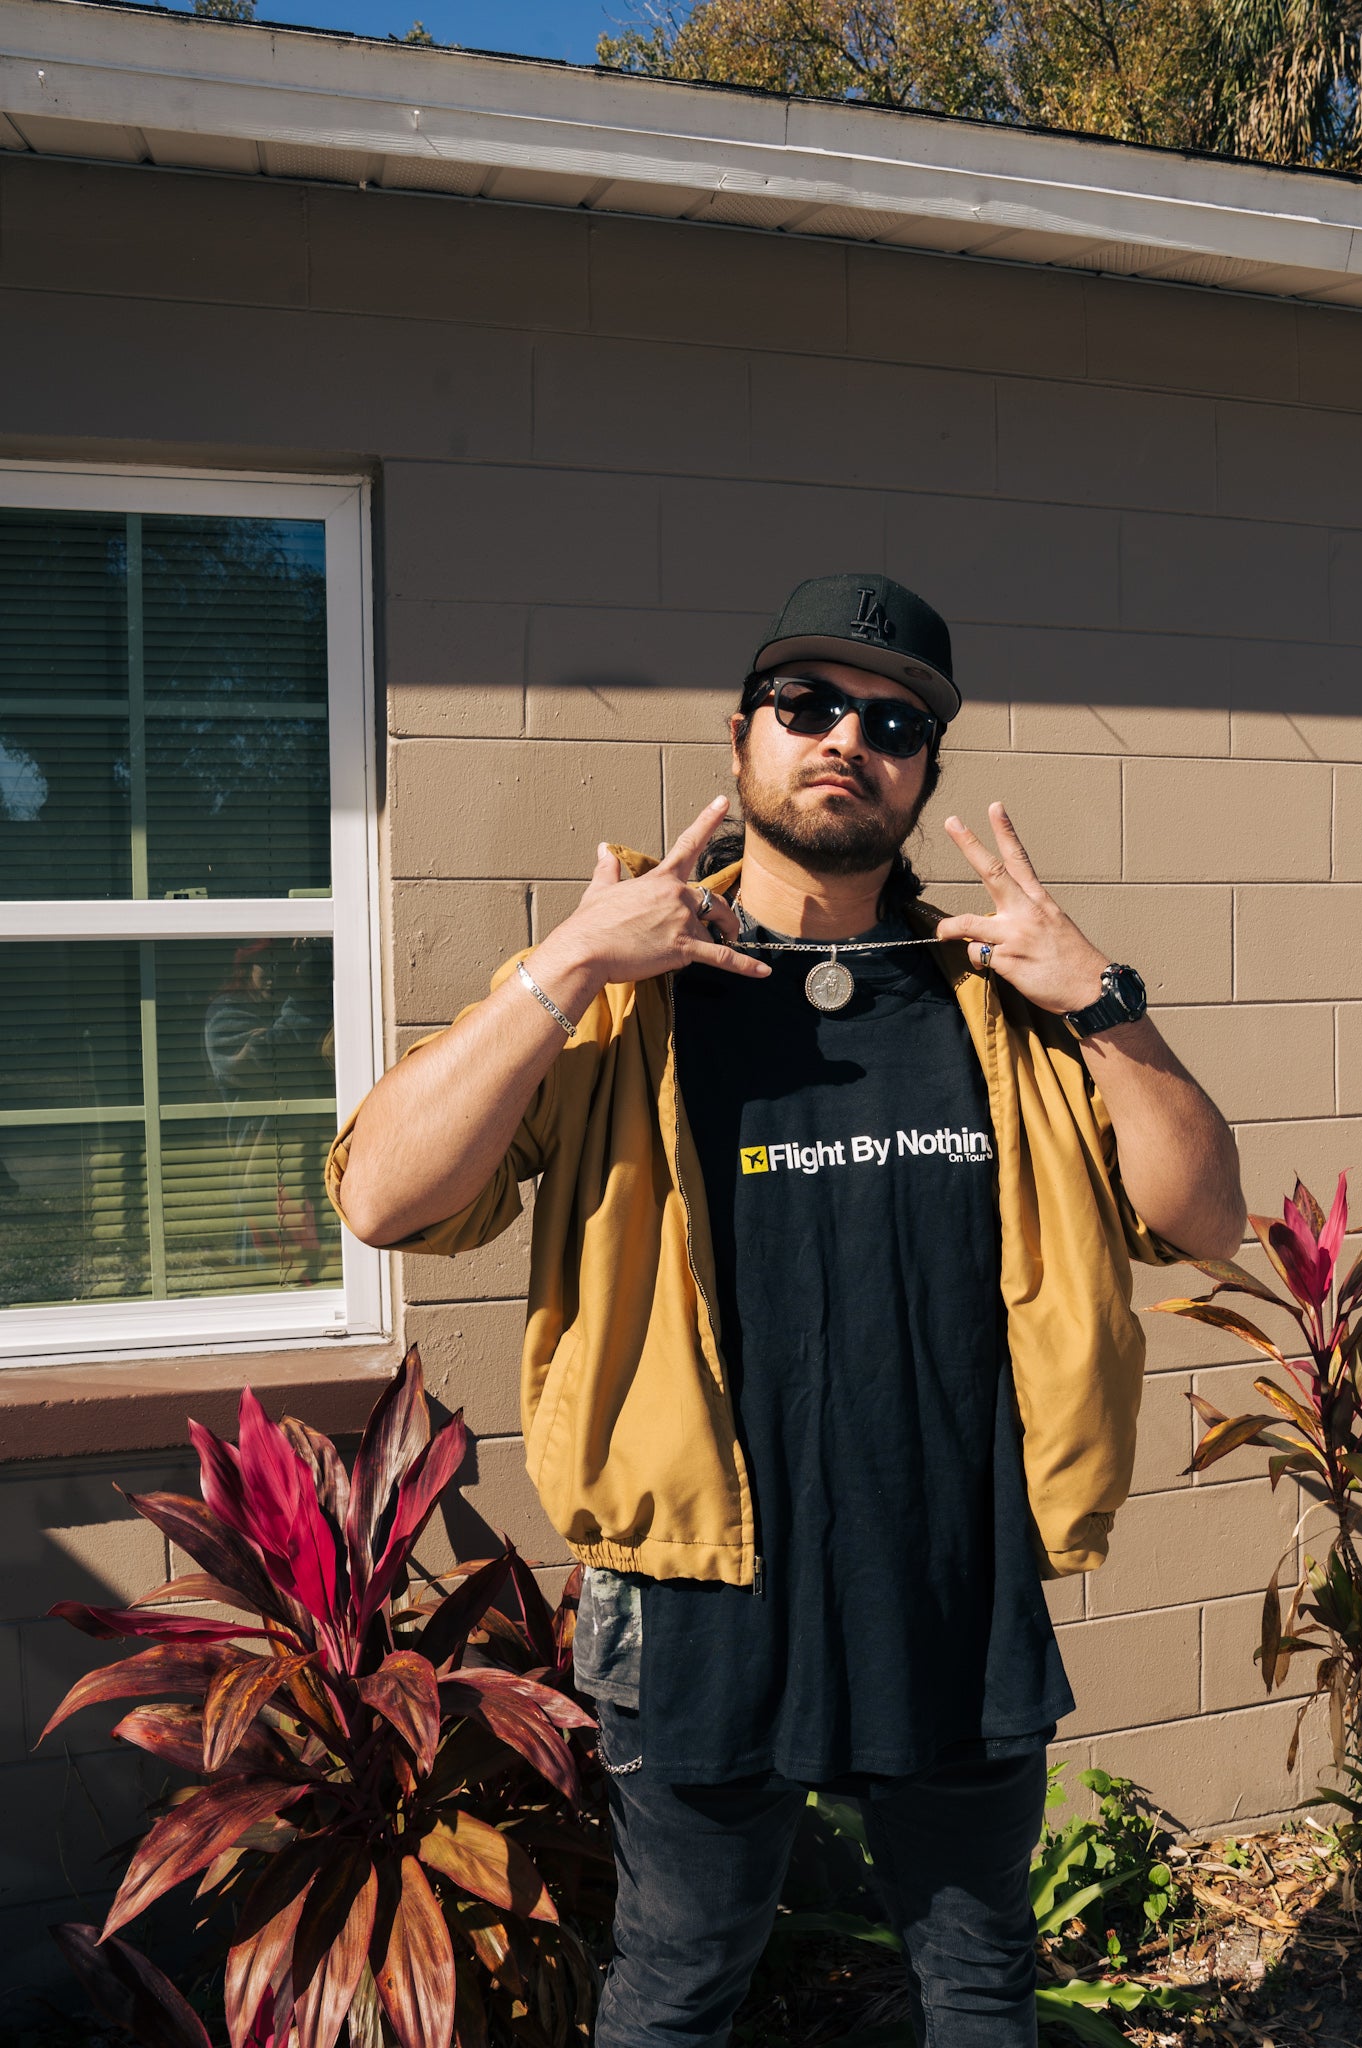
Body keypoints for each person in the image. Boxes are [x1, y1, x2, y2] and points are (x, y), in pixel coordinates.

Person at [328, 572, 1246, 2048]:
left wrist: (1102, 1001)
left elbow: (1206, 1221)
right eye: (806, 704)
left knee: (980, 1984)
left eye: (891, 723)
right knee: (677, 1990)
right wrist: (565, 962)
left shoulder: (1004, 1006)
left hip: (954, 1573)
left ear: (923, 771)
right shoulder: (622, 996)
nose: (845, 741)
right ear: (741, 735)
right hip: (698, 1589)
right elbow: (382, 1198)